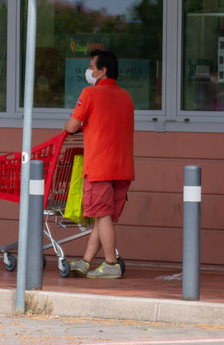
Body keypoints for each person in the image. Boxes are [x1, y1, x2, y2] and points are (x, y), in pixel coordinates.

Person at [63, 50, 134, 279]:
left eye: (92, 66)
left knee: (102, 216)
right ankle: (86, 262)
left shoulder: (90, 93)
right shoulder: (126, 97)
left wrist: (71, 125)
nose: (89, 71)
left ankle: (111, 263)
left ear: (103, 71)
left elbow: (72, 126)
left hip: (99, 166)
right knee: (104, 218)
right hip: (122, 167)